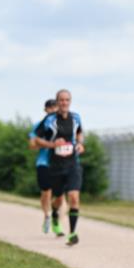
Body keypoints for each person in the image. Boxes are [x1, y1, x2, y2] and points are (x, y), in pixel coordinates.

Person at [33, 89, 84, 246]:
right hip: (55, 165)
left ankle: (73, 233)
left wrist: (80, 144)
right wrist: (52, 144)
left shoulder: (76, 118)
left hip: (72, 164)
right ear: (57, 102)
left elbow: (79, 133)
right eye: (61, 100)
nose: (64, 103)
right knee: (59, 198)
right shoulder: (49, 120)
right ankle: (54, 215)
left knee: (74, 197)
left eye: (67, 100)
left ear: (70, 101)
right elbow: (36, 139)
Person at [29, 99, 59, 234]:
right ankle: (47, 215)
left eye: (55, 108)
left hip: (60, 163)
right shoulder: (39, 126)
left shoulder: (64, 125)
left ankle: (56, 222)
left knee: (59, 195)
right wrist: (48, 144)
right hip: (44, 162)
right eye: (50, 108)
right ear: (45, 110)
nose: (53, 111)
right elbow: (32, 145)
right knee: (46, 192)